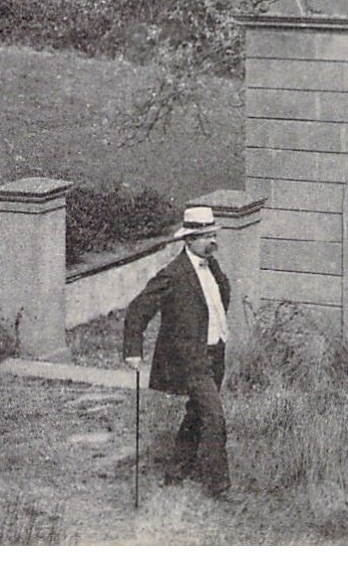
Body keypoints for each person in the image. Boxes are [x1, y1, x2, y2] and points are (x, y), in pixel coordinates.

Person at [123, 206, 234, 500]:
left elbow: (222, 295)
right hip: (192, 357)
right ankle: (218, 485)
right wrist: (133, 350)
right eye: (206, 236)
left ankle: (176, 470)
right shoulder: (173, 274)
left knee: (197, 413)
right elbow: (138, 309)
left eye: (213, 234)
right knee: (214, 416)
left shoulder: (212, 266)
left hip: (216, 352)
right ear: (189, 240)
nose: (213, 241)